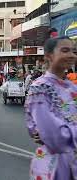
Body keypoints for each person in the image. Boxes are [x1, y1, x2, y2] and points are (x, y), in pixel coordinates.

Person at [25, 36, 77, 180]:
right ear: (49, 56)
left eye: (74, 51)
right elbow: (54, 136)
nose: (72, 55)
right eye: (65, 50)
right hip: (54, 165)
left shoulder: (72, 87)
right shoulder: (40, 87)